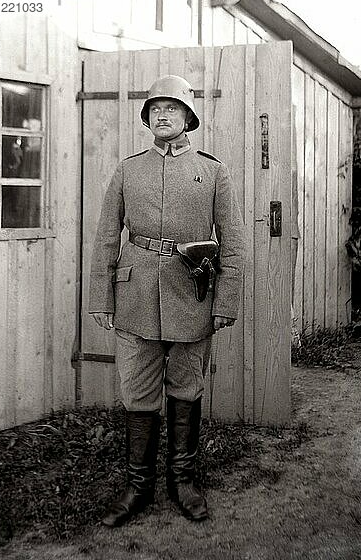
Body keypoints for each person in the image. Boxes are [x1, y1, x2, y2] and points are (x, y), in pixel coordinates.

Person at [89, 75, 246, 527]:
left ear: (188, 118)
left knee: (185, 387)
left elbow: (232, 242)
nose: (162, 115)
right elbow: (105, 238)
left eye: (172, 109)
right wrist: (101, 296)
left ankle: (183, 482)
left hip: (191, 294)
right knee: (137, 391)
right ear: (147, 119)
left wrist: (225, 302)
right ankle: (137, 488)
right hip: (135, 294)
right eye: (155, 109)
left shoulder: (212, 171)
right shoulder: (127, 169)